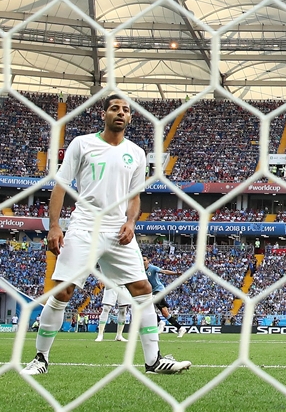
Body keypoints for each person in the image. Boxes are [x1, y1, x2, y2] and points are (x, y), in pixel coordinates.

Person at [21, 95, 190, 375]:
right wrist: (54, 226)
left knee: (143, 289)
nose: (120, 113)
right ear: (104, 114)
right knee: (64, 290)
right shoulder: (82, 144)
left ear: (131, 118)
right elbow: (60, 186)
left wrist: (131, 222)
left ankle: (154, 360)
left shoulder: (136, 153)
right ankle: (40, 359)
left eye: (126, 110)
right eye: (115, 108)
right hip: (85, 225)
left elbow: (135, 198)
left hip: (118, 231)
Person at [144, 256, 186, 337]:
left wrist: (176, 273)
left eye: (144, 260)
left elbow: (164, 272)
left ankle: (160, 322)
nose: (143, 261)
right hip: (151, 292)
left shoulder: (152, 268)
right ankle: (180, 328)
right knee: (165, 313)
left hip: (159, 290)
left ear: (148, 261)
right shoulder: (141, 270)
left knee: (148, 304)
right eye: (141, 260)